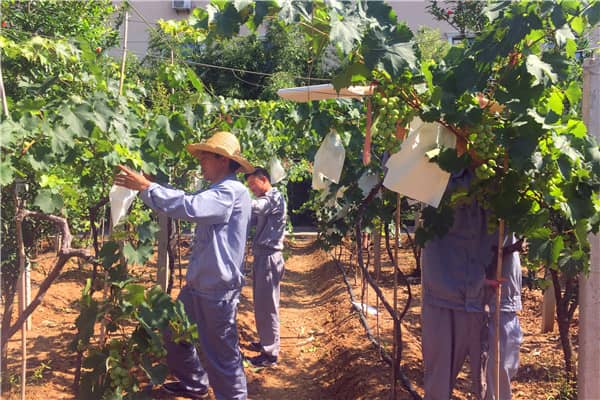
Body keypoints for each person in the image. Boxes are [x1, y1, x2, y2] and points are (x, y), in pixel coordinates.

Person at [113, 131, 254, 400]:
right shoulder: (217, 190)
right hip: (198, 286)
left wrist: (147, 188)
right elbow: (189, 200)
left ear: (223, 160)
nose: (201, 162)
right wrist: (151, 187)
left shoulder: (230, 192)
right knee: (172, 332)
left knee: (221, 356)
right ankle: (194, 383)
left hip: (217, 291)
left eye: (205, 157)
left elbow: (190, 206)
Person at [420, 166, 522, 400]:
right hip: (446, 286)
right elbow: (395, 168)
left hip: (497, 288)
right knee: (437, 385)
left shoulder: (508, 159)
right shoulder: (432, 157)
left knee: (499, 380)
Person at [243, 167, 287, 367]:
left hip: (269, 257)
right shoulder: (266, 199)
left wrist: (235, 197)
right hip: (262, 256)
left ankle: (270, 354)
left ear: (263, 179)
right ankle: (266, 342)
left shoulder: (273, 198)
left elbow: (256, 208)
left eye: (253, 184)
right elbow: (252, 218)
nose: (251, 189)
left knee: (268, 306)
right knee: (262, 303)